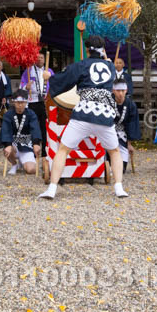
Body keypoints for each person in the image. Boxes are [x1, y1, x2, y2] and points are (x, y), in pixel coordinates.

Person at [38, 35, 128, 199]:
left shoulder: (81, 65)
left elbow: (63, 79)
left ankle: (52, 188)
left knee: (63, 150)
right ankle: (119, 188)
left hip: (84, 113)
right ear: (102, 50)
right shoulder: (111, 67)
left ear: (87, 50)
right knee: (115, 151)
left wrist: (49, 78)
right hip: (104, 115)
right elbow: (107, 62)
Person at [1, 91, 42, 175]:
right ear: (14, 102)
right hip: (14, 145)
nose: (20, 105)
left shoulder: (31, 114)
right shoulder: (8, 114)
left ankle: (23, 162)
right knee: (7, 148)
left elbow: (35, 129)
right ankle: (14, 165)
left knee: (31, 170)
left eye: (22, 102)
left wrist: (36, 143)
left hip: (26, 145)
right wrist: (8, 144)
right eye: (18, 102)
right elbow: (6, 130)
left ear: (26, 102)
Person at [20, 53, 52, 149]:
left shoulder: (49, 71)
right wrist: (26, 86)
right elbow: (21, 85)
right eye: (37, 58)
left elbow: (56, 84)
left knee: (44, 124)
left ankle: (45, 148)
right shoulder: (28, 71)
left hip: (45, 102)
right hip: (32, 102)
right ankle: (34, 145)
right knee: (33, 124)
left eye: (41, 58)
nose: (39, 59)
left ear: (44, 60)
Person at [111, 80, 140, 175]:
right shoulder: (108, 102)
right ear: (113, 90)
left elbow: (131, 124)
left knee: (121, 170)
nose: (120, 93)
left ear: (126, 90)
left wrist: (129, 144)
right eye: (118, 90)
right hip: (108, 131)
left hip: (122, 133)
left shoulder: (131, 105)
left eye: (123, 90)